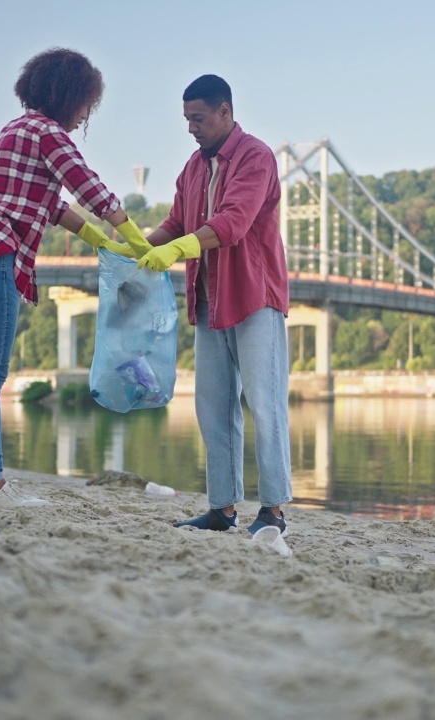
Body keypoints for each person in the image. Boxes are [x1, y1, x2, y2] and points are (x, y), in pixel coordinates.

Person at [0, 48, 153, 511]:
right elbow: (88, 186)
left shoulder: (15, 130)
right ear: (69, 94)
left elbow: (53, 205)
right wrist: (138, 242)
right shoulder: (49, 133)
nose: (86, 115)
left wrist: (103, 242)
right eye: (86, 104)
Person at [136, 74, 293, 536]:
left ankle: (274, 511)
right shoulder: (192, 167)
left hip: (254, 297)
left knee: (265, 406)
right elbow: (175, 223)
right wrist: (138, 249)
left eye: (198, 118)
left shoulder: (256, 157)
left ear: (225, 111)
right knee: (213, 408)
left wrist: (174, 250)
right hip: (209, 299)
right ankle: (222, 508)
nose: (191, 128)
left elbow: (233, 223)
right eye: (186, 120)